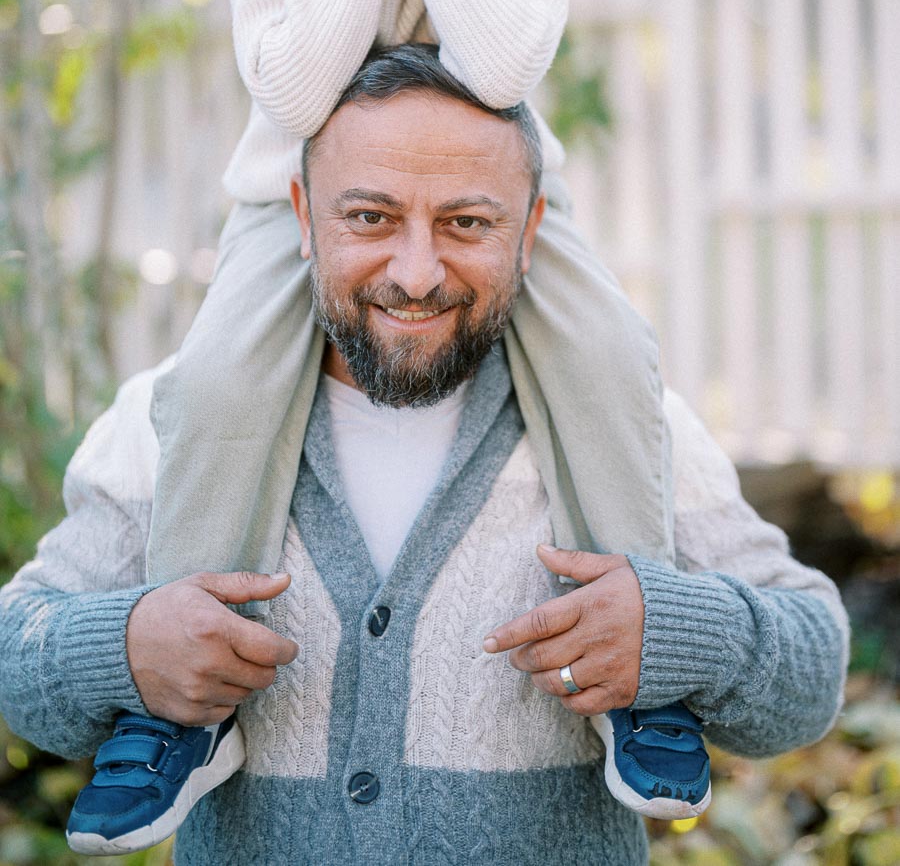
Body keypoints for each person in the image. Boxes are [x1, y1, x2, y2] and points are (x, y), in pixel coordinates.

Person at [75, 0, 687, 850]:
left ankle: (644, 669)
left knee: (614, 360)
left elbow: (502, 69)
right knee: (216, 385)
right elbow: (295, 94)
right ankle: (186, 713)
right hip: (291, 209)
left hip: (492, 212)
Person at [0, 48, 849, 865]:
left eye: (466, 223)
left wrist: (683, 634)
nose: (415, 273)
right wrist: (122, 648)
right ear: (302, 216)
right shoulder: (170, 420)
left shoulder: (629, 428)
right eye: (370, 217)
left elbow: (813, 667)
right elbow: (15, 651)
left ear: (530, 230)